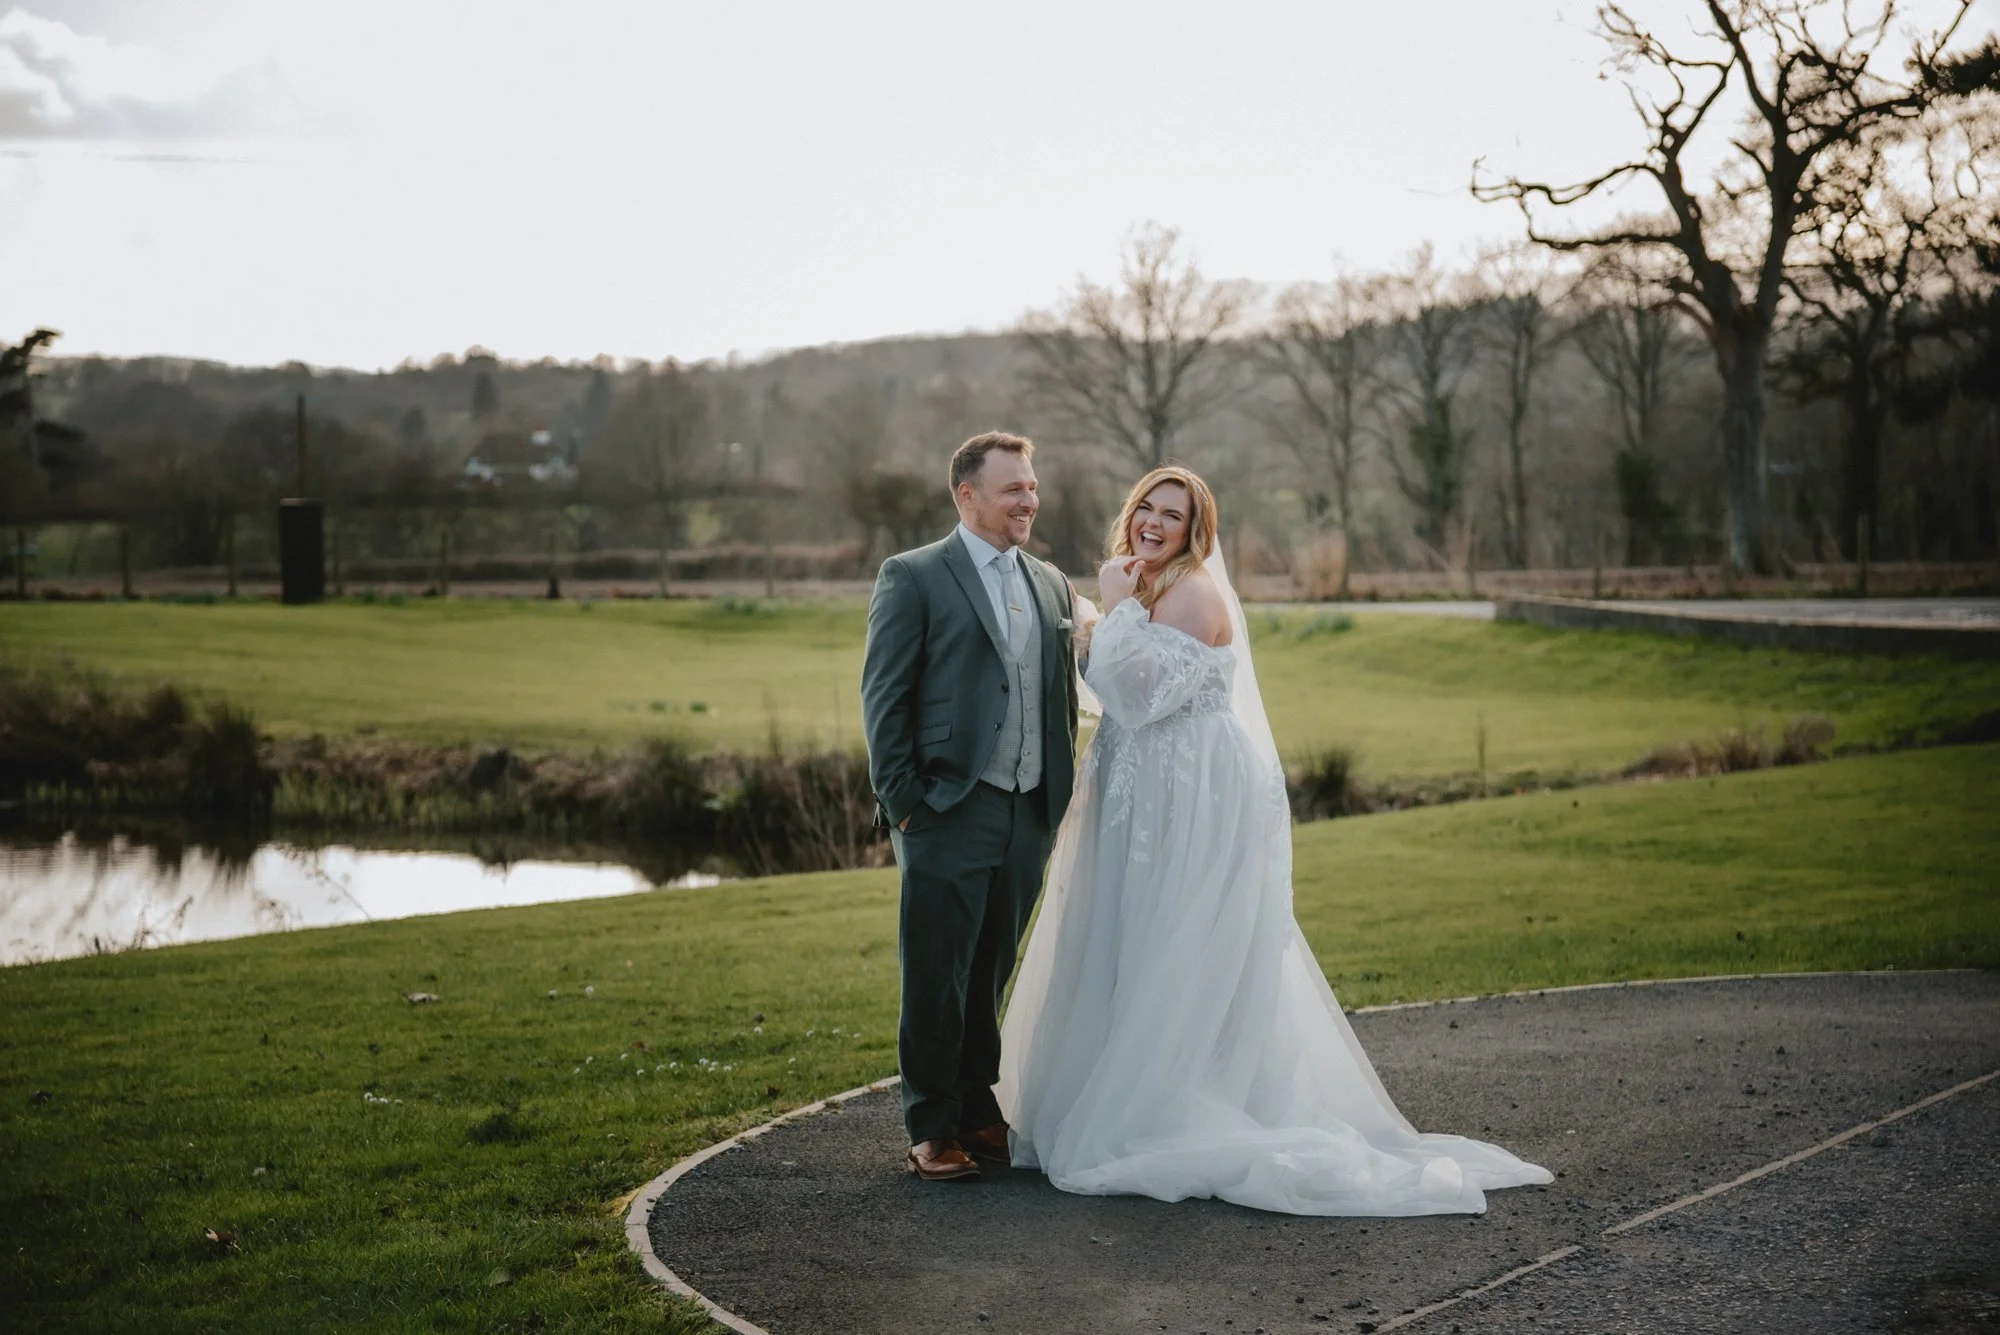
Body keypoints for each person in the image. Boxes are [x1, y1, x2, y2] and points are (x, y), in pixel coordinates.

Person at [997, 465, 1553, 1215]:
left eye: (1174, 515)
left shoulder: (1192, 591)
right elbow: (1113, 684)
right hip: (1140, 794)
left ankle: (1169, 1099)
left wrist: (1115, 605)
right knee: (1126, 937)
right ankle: (1112, 1086)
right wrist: (1110, 618)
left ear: (1197, 531)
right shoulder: (1146, 586)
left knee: (1175, 938)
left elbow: (1137, 698)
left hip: (1190, 795)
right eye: (1147, 508)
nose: (1154, 524)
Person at [860, 431, 1082, 1182]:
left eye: (1032, 484)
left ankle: (976, 1101)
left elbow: (1057, 694)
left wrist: (1058, 795)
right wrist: (906, 803)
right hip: (946, 807)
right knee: (937, 969)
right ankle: (930, 1124)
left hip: (1029, 809)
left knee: (991, 964)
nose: (1029, 498)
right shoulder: (914, 575)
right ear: (967, 495)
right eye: (1013, 487)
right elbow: (883, 698)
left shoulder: (1052, 582)